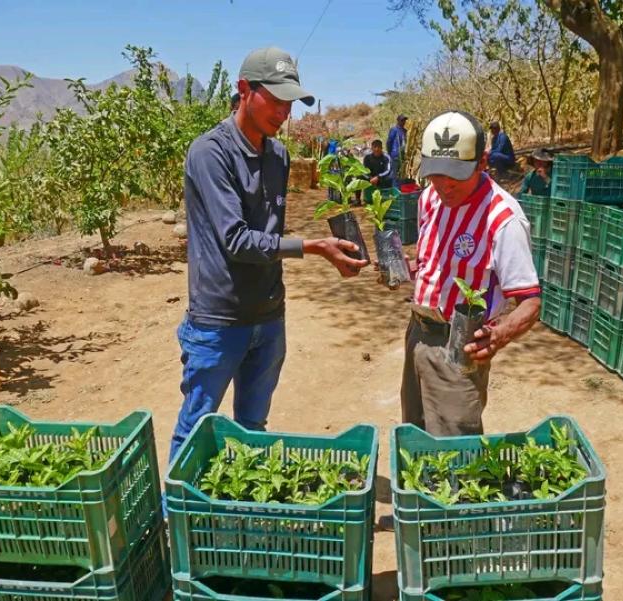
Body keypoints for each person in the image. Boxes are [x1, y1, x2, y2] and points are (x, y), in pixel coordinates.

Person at [169, 47, 368, 462]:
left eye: (290, 102)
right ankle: (176, 519)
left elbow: (268, 233)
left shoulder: (278, 155)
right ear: (244, 89)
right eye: (275, 100)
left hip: (269, 317)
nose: (284, 112)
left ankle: (242, 515)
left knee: (253, 429)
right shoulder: (210, 153)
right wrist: (313, 247)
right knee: (197, 425)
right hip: (218, 321)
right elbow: (237, 241)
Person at [399, 110, 541, 436]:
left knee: (453, 450)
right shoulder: (429, 199)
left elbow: (530, 302)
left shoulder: (503, 218)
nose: (445, 186)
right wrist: (411, 268)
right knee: (414, 434)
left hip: (458, 345)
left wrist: (499, 335)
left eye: (456, 176)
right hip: (417, 331)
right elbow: (434, 258)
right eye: (436, 174)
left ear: (482, 162)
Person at [386, 114, 408, 186]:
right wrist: (391, 153)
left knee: (402, 174)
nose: (403, 122)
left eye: (404, 120)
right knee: (395, 174)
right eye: (402, 120)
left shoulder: (404, 131)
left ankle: (401, 189)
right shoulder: (394, 130)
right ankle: (395, 191)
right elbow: (389, 142)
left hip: (403, 155)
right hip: (395, 155)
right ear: (398, 121)